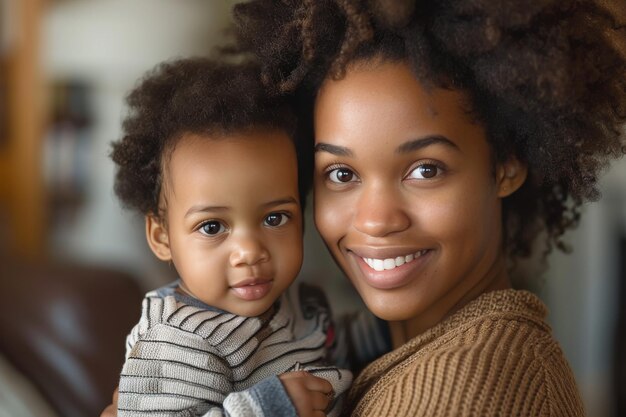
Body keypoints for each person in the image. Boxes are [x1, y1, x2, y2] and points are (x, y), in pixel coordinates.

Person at [227, 0, 626, 415]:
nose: (375, 220)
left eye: (425, 170)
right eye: (342, 174)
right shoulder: (366, 356)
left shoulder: (466, 395)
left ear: (506, 164)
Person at [107, 57, 387, 417]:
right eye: (212, 227)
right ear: (161, 237)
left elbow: (334, 347)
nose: (250, 251)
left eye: (274, 218)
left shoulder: (298, 303)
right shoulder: (178, 343)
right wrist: (269, 408)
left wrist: (390, 329)